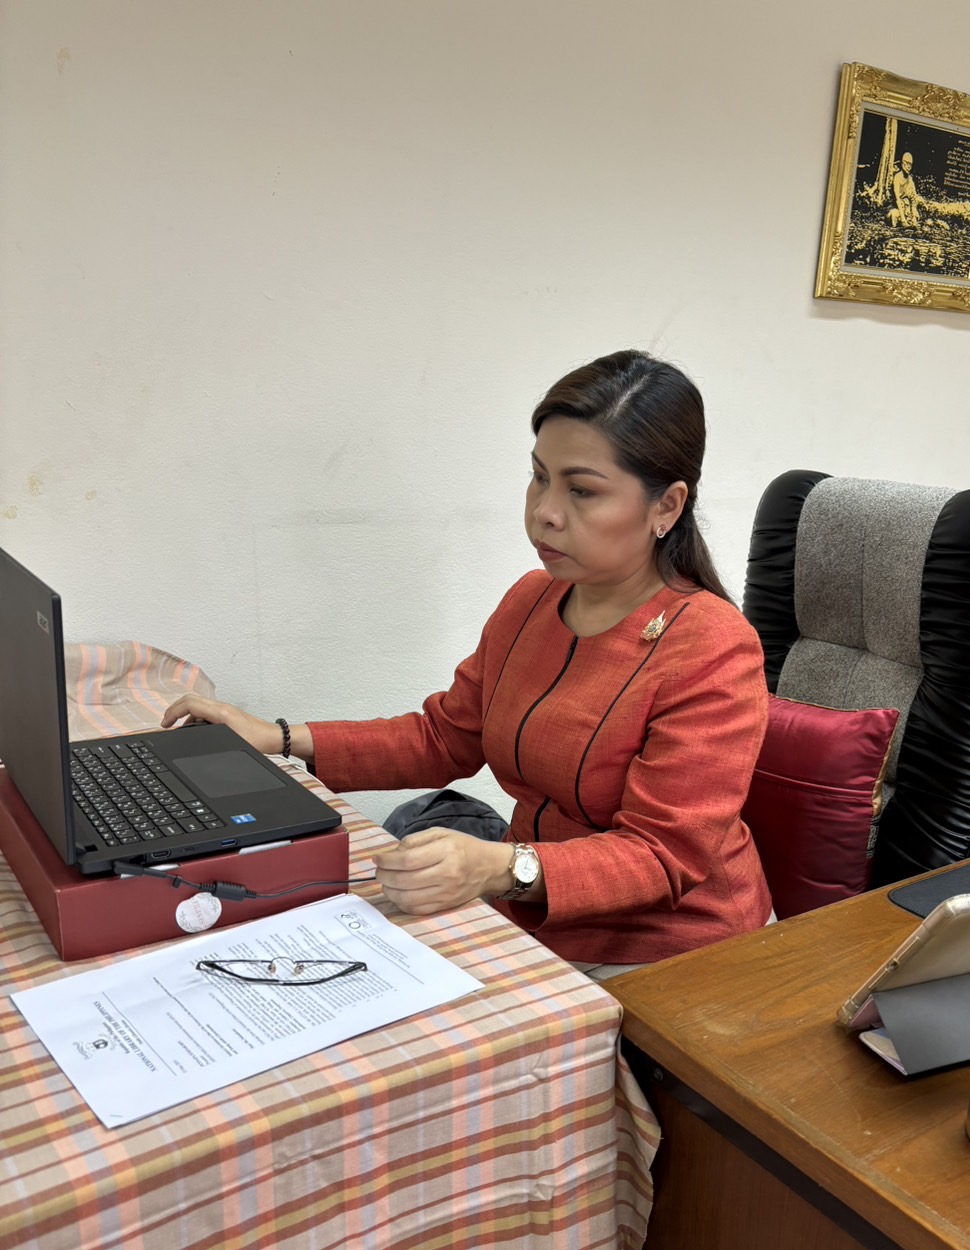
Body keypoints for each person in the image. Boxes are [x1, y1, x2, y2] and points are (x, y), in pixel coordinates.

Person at [162, 350, 772, 973]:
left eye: (582, 490)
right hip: (528, 911)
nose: (545, 511)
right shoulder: (533, 600)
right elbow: (446, 737)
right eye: (539, 477)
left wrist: (501, 866)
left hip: (669, 951)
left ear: (666, 506)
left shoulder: (712, 647)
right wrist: (278, 737)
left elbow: (661, 856)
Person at [890, 151, 921, 229]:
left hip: (907, 207)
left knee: (915, 217)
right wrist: (903, 219)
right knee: (894, 216)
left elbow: (913, 199)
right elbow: (897, 199)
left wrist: (914, 217)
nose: (908, 167)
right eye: (906, 164)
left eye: (910, 165)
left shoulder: (910, 179)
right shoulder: (897, 177)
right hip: (897, 206)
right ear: (902, 164)